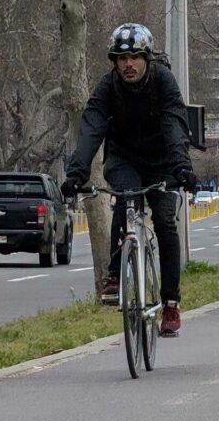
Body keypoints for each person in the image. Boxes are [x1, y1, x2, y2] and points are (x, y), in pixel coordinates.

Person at [61, 23, 197, 338]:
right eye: (121, 59)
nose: (128, 65)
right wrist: (76, 173)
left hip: (163, 161)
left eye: (135, 57)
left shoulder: (164, 81)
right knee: (126, 197)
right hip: (124, 159)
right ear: (115, 62)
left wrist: (182, 168)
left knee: (164, 222)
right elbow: (91, 128)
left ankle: (171, 303)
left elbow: (175, 125)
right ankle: (113, 276)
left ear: (147, 58)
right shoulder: (107, 88)